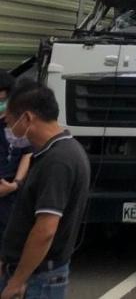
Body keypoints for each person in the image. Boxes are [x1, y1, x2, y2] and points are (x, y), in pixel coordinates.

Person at [0, 81, 90, 299]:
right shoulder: (56, 152)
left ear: (28, 118)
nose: (8, 126)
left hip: (39, 279)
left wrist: (18, 280)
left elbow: (45, 229)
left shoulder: (58, 161)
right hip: (33, 274)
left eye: (10, 120)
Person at [0, 72, 32, 236]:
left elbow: (27, 153)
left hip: (9, 192)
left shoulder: (17, 123)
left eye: (2, 101)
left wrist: (15, 184)